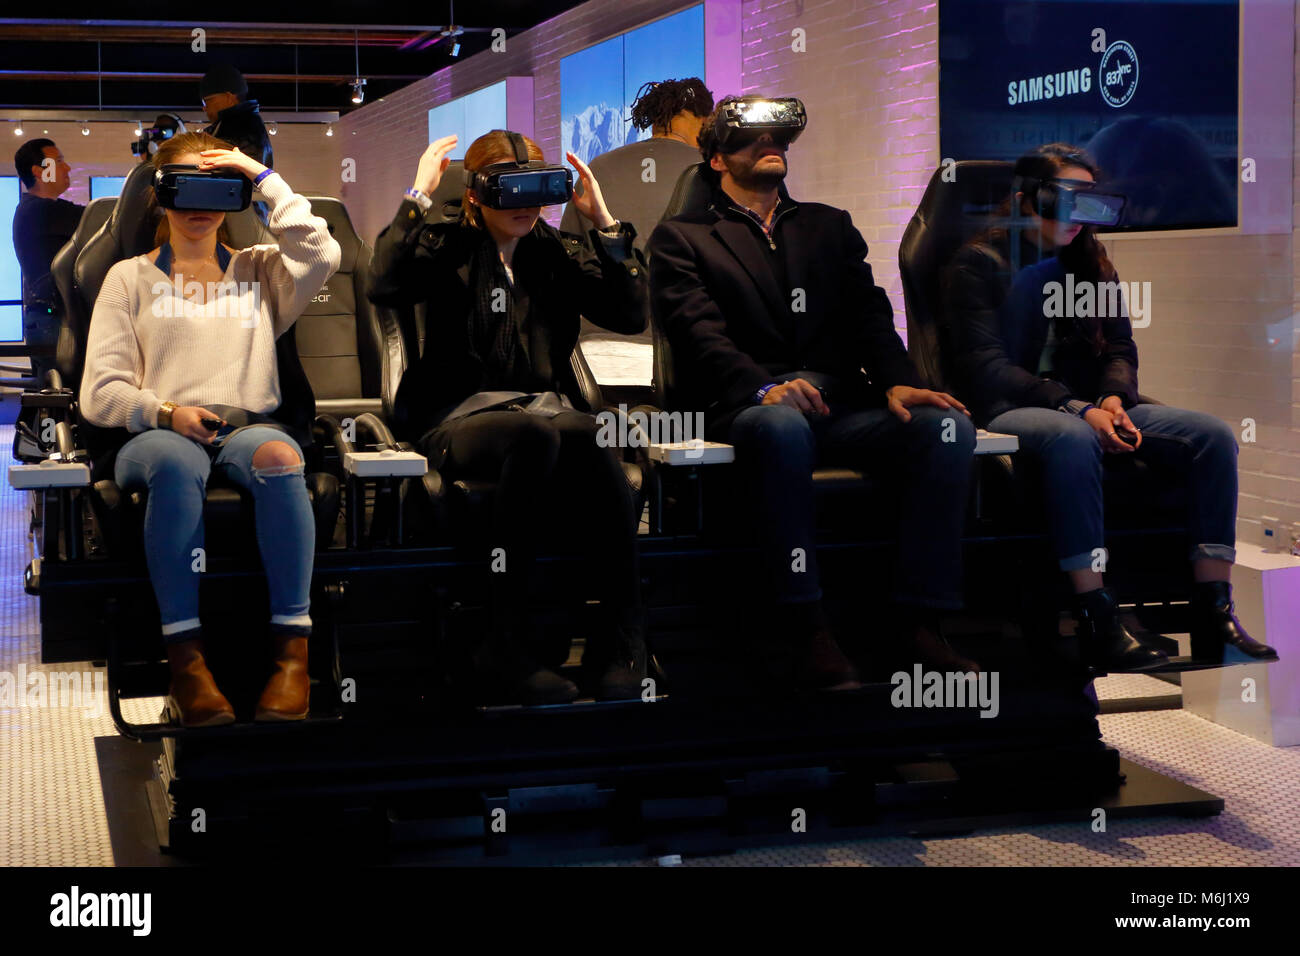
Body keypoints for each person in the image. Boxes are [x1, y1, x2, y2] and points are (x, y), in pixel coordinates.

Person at [648, 95, 979, 689]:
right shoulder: (683, 238)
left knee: (946, 426)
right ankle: (805, 625)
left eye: (779, 138)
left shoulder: (829, 225)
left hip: (838, 405)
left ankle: (922, 621)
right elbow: (700, 335)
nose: (771, 146)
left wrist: (902, 383)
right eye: (754, 140)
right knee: (779, 425)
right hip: (747, 407)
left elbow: (871, 318)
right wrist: (764, 386)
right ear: (718, 159)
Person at [941, 142, 1276, 668]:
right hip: (1009, 408)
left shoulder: (1092, 263)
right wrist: (1077, 409)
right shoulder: (978, 264)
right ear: (1029, 201)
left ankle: (1214, 612)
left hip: (1092, 402)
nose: (1079, 214)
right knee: (1074, 437)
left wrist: (1115, 397)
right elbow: (987, 366)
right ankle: (1096, 612)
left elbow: (1120, 348)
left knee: (1211, 435)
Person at [369, 130, 650, 705]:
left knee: (588, 428)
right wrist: (419, 197)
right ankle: (505, 644)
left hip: (543, 412)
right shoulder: (444, 246)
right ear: (474, 195)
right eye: (508, 191)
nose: (526, 206)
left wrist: (602, 224)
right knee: (536, 433)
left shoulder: (554, 250)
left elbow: (629, 313)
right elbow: (383, 281)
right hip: (455, 419)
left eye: (539, 191)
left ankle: (622, 641)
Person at [80, 131, 342, 726]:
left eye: (216, 186)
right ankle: (187, 663)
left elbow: (322, 253)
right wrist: (166, 412)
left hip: (243, 426)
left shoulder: (261, 270)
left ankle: (292, 657)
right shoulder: (129, 278)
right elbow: (100, 392)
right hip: (156, 435)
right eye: (183, 186)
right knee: (175, 464)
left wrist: (258, 173)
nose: (199, 203)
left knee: (281, 457)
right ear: (157, 194)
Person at [560, 77, 714, 252]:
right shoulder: (711, 169)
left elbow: (568, 248)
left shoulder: (597, 169)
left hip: (611, 277)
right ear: (704, 121)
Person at [12, 138, 83, 384]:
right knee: (57, 399)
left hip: (46, 318)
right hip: (51, 320)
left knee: (53, 398)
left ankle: (46, 424)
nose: (68, 168)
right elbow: (100, 218)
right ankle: (48, 426)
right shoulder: (39, 210)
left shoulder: (41, 208)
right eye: (59, 161)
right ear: (38, 171)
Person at [200, 64, 273, 168]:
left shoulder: (240, 127)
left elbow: (226, 171)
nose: (205, 108)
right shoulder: (246, 121)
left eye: (208, 101)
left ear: (228, 97)